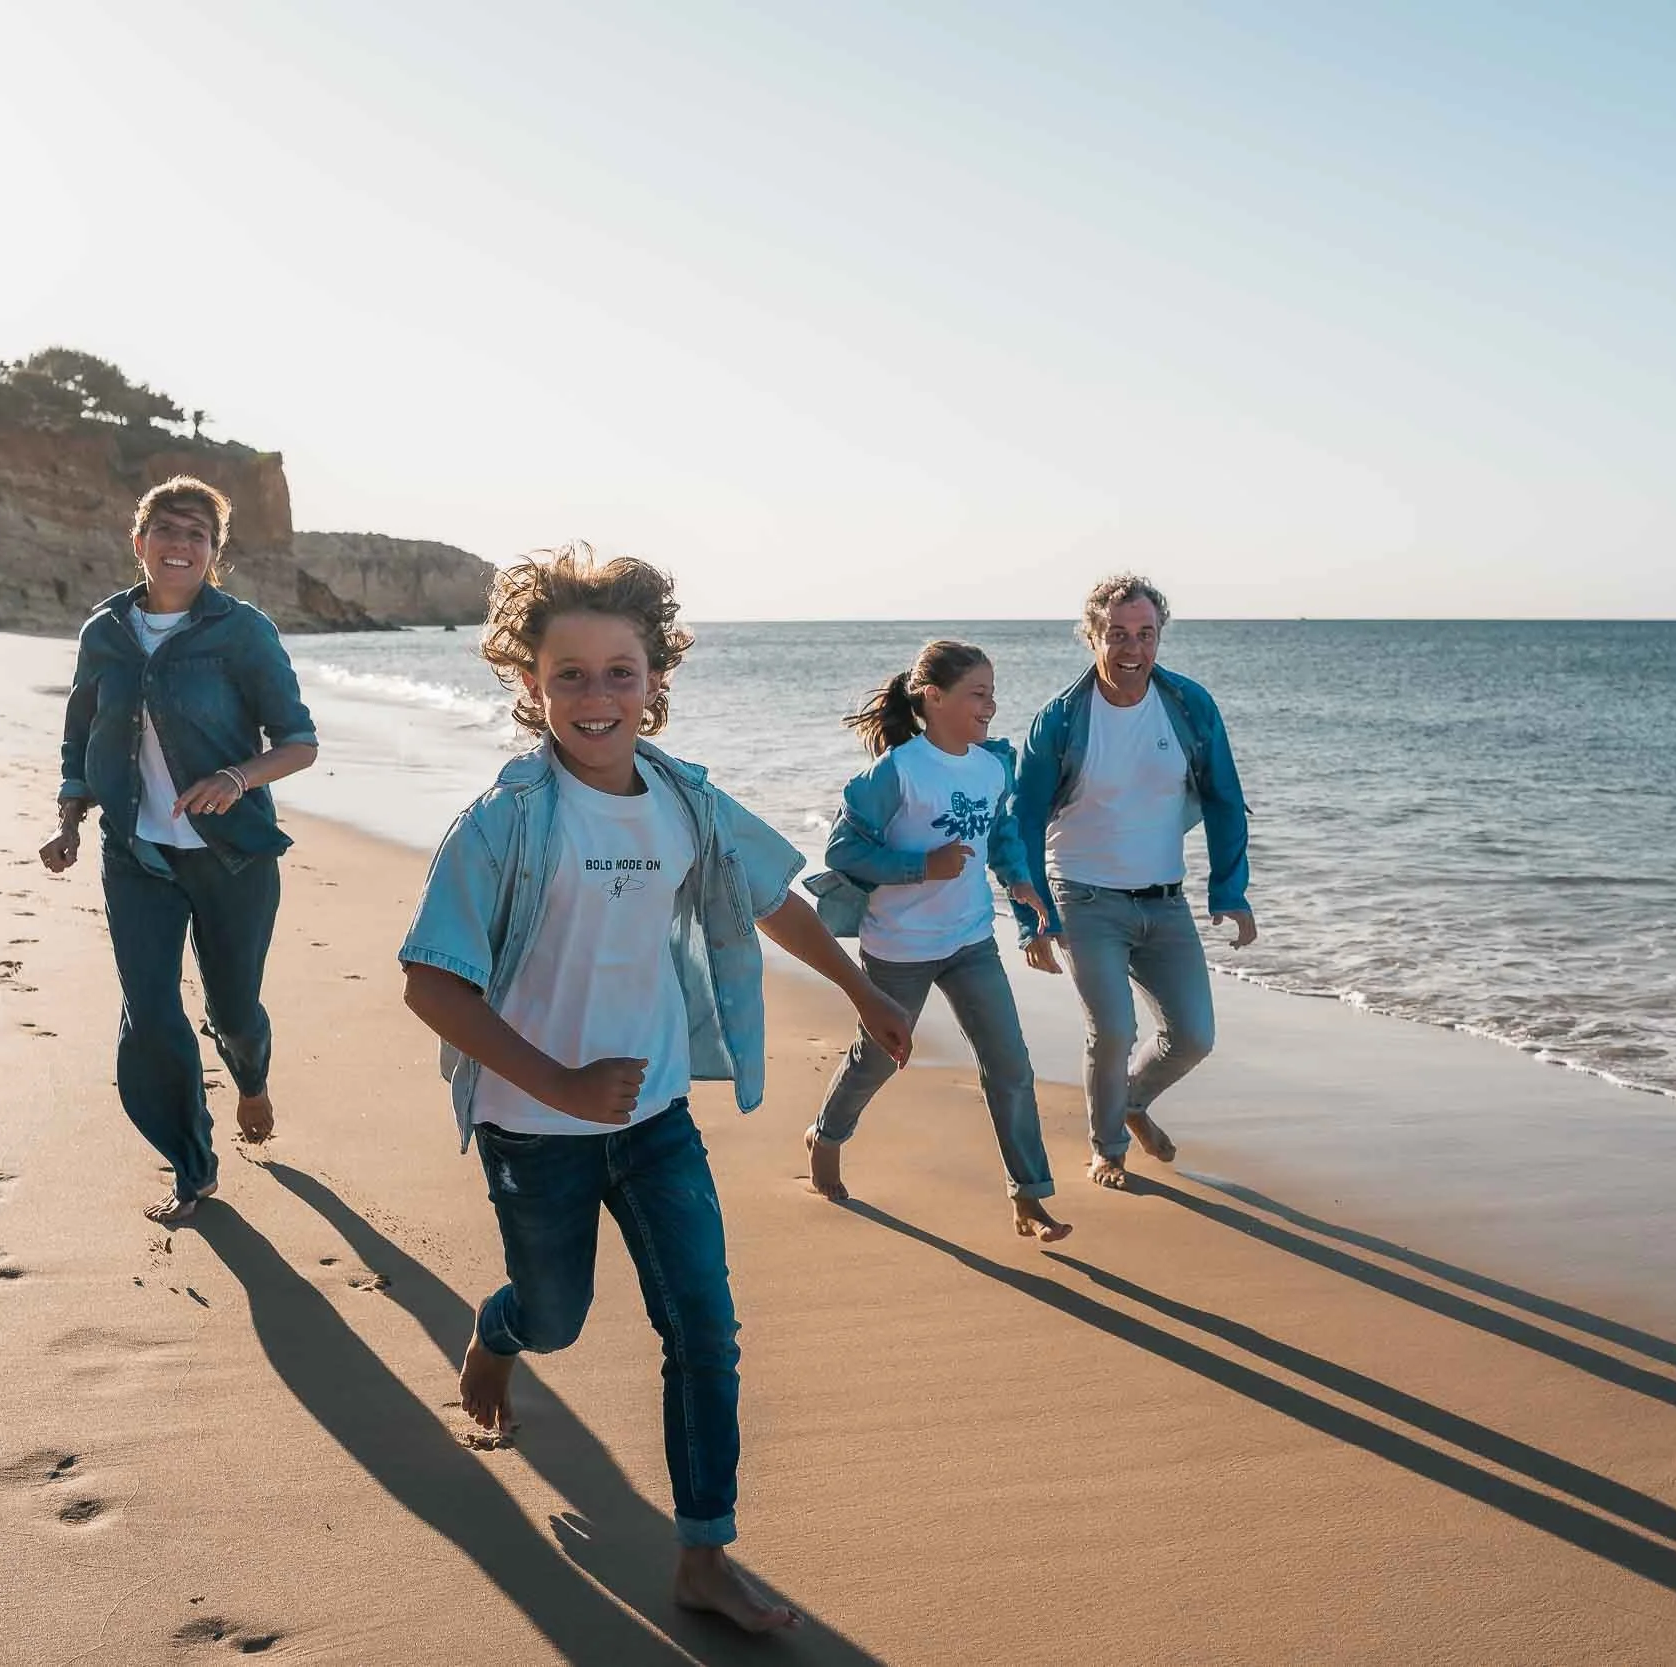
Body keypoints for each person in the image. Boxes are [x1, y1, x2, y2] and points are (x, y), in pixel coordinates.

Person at [396, 547, 915, 1634]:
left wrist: (861, 988)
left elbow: (769, 895)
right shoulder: (502, 820)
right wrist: (559, 1082)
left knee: (705, 1329)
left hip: (656, 1115)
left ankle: (705, 1553)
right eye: (570, 675)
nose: (597, 696)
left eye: (619, 672)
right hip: (532, 1126)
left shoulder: (686, 801)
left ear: (655, 679)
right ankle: (501, 1327)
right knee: (557, 1316)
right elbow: (430, 982)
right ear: (530, 683)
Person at [39, 476, 319, 1225]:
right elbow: (80, 736)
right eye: (167, 528)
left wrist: (236, 777)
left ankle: (250, 1078)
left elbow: (298, 742)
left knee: (234, 1011)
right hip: (136, 855)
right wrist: (70, 819)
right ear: (140, 542)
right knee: (152, 1013)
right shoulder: (104, 632)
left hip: (234, 857)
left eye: (198, 533)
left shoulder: (243, 631)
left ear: (213, 553)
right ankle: (193, 1168)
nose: (180, 544)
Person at [801, 641, 1072, 1242]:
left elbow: (1000, 831)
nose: (991, 707)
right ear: (934, 698)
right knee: (878, 1058)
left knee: (1010, 1066)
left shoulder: (992, 765)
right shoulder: (895, 773)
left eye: (993, 694)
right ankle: (827, 1135)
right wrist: (923, 866)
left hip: (972, 940)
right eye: (978, 694)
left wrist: (1019, 879)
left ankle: (1029, 1197)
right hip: (899, 946)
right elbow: (843, 852)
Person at [1012, 574, 1254, 1188]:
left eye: (1146, 634)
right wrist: (1034, 920)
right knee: (1114, 1030)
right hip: (1082, 897)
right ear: (1092, 636)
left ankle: (1131, 1101)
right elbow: (1022, 822)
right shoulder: (1060, 720)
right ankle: (1108, 1149)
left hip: (1164, 902)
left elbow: (1225, 798)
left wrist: (1229, 890)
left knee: (1193, 1036)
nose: (1133, 649)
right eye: (1117, 634)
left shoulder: (1189, 706)